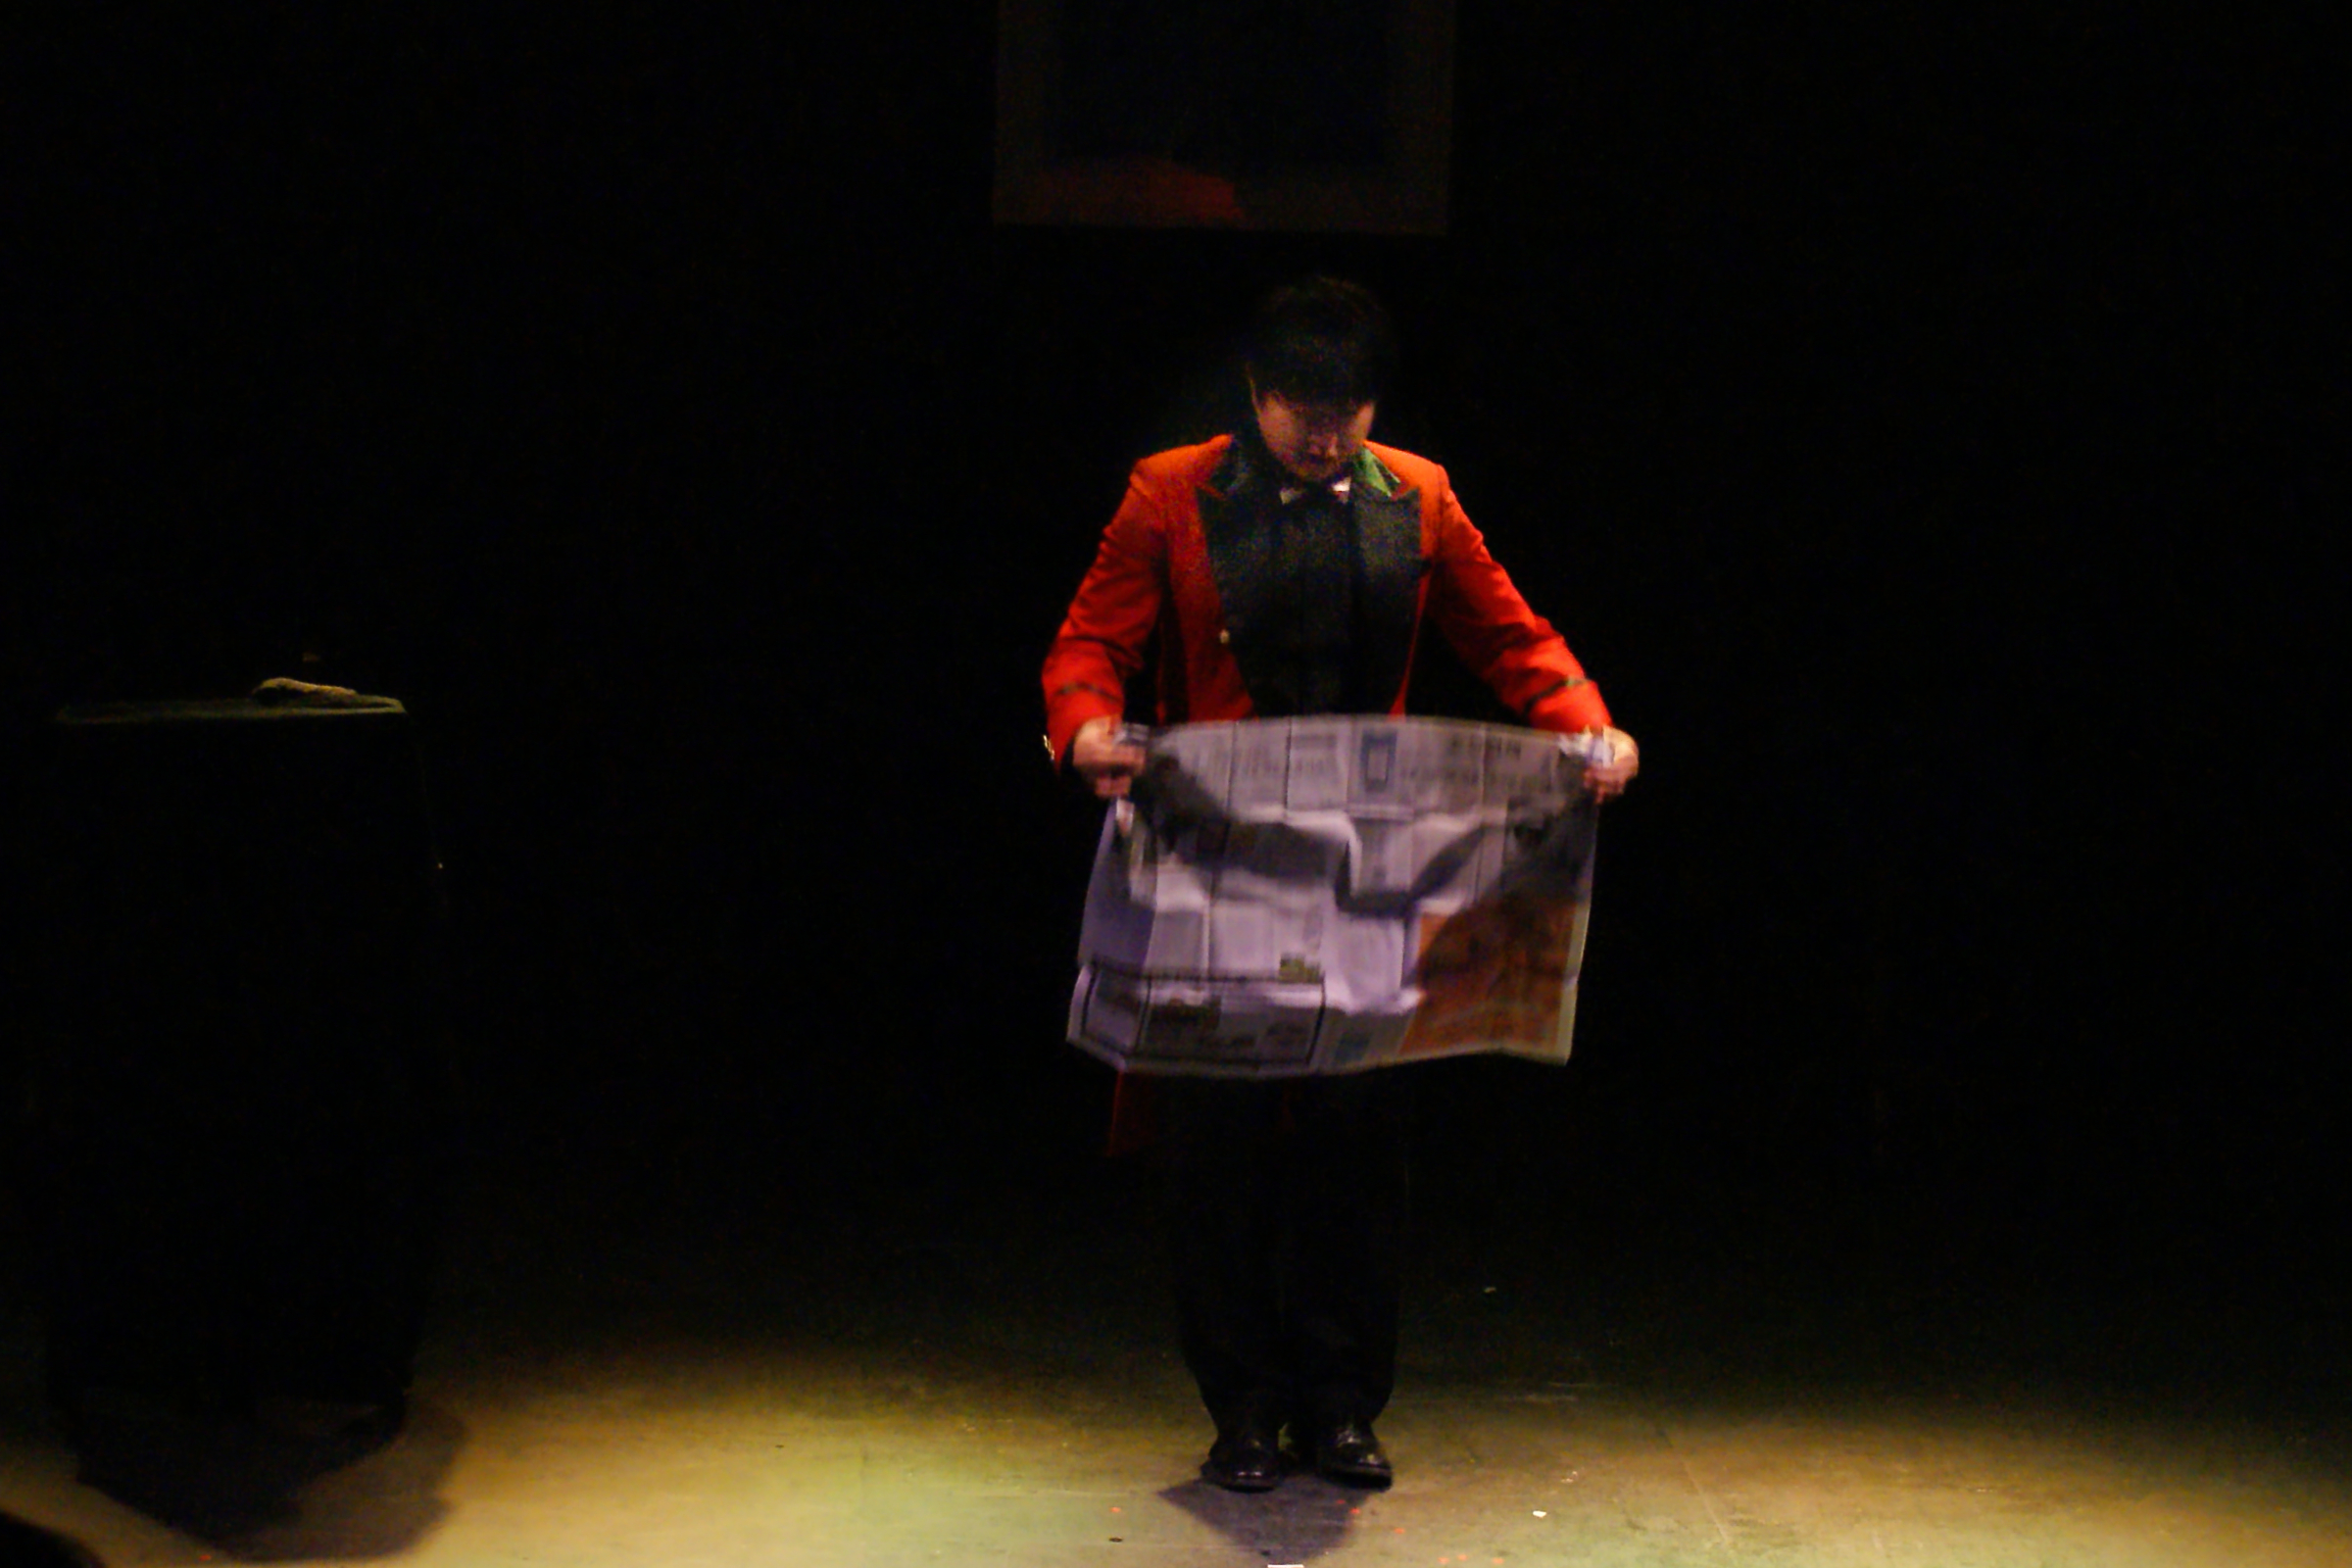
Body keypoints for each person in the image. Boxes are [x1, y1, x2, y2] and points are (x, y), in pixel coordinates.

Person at [1042, 278, 1638, 1492]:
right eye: (1300, 411)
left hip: (1370, 874)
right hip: (1219, 866)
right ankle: (1243, 1406)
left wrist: (1588, 726)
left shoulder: (1418, 493)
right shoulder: (1172, 490)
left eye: (1346, 413)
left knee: (1356, 1140)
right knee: (1217, 1141)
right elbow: (1090, 641)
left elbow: (1509, 635)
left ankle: (1342, 1402)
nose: (1323, 437)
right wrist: (1087, 722)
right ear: (1255, 393)